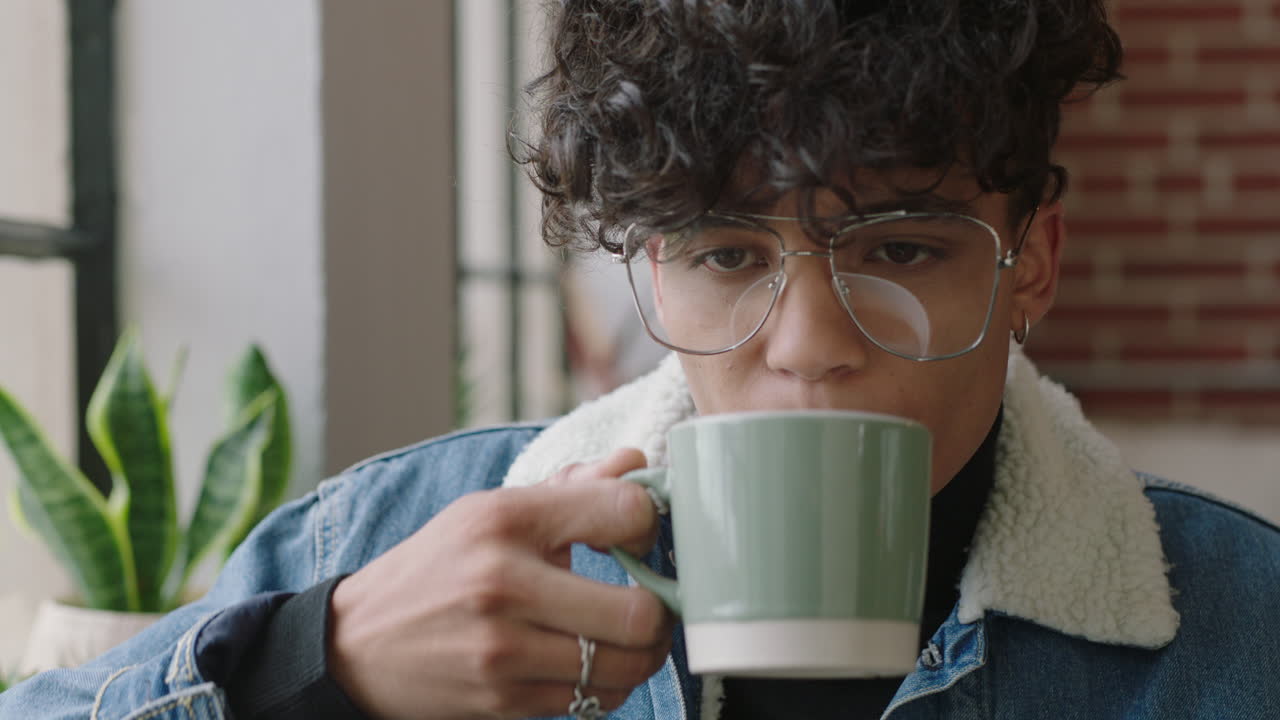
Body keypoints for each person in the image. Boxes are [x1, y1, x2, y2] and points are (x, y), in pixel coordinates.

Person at [4, 1, 1279, 718]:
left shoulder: (1239, 630)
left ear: (1031, 263)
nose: (807, 349)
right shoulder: (402, 545)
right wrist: (316, 670)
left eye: (898, 252)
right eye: (724, 255)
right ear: (648, 271)